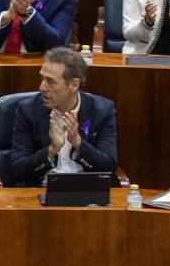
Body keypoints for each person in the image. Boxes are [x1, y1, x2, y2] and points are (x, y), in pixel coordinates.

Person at [9, 46, 118, 187]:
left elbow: (108, 167)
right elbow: (17, 170)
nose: (42, 87)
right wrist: (51, 150)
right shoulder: (28, 110)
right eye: (42, 79)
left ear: (74, 84)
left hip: (86, 192)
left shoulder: (101, 111)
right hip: (41, 191)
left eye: (51, 82)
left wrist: (78, 144)